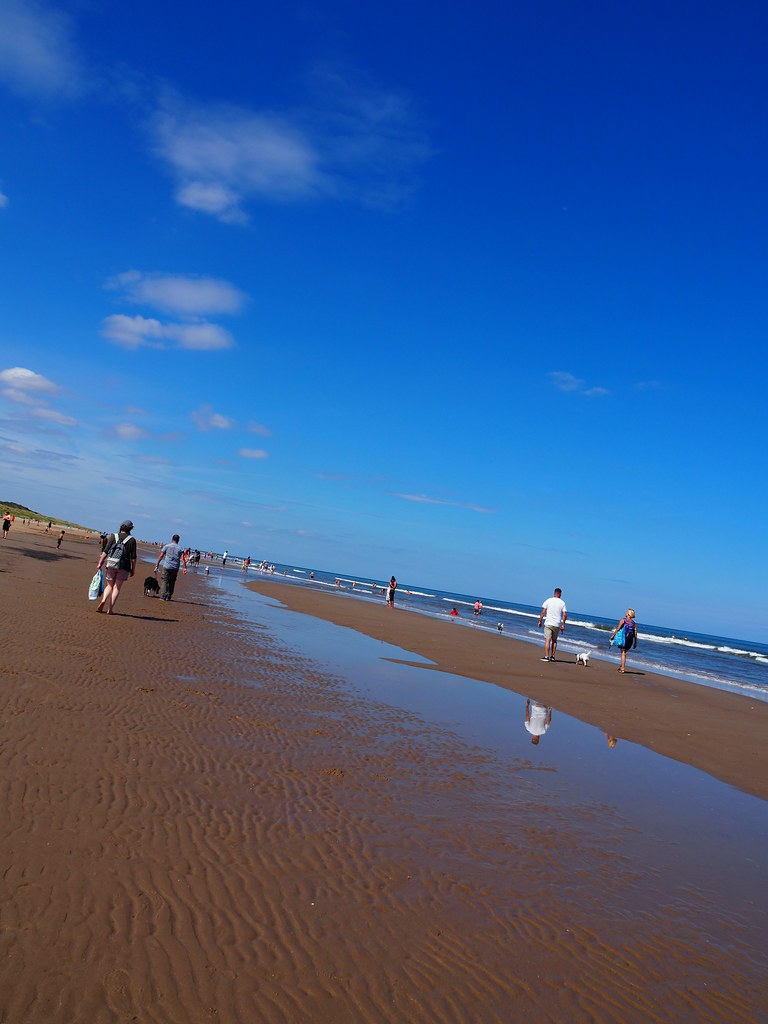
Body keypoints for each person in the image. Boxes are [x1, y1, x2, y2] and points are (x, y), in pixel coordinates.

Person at [95, 520, 137, 614]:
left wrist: (100, 563)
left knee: (109, 585)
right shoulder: (132, 540)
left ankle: (103, 600)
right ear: (131, 528)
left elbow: (105, 551)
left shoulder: (114, 536)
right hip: (124, 567)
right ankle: (110, 609)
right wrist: (133, 569)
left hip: (111, 564)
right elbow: (133, 557)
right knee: (117, 588)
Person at [538, 587, 567, 661]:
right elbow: (564, 615)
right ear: (560, 594)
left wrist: (540, 621)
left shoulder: (548, 600)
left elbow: (543, 612)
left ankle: (547, 656)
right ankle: (553, 656)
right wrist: (563, 625)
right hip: (557, 624)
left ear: (554, 593)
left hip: (548, 623)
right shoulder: (562, 603)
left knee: (548, 640)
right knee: (554, 640)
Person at [155, 533, 183, 601]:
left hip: (167, 566)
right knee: (172, 581)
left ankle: (163, 595)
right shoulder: (180, 548)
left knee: (165, 580)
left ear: (172, 539)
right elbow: (183, 559)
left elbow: (161, 555)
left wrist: (157, 563)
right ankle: (169, 595)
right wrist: (184, 567)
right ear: (178, 540)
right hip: (175, 567)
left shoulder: (167, 546)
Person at [610, 608, 638, 673]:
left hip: (623, 639)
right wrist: (635, 642)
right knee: (624, 653)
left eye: (627, 612)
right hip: (630, 640)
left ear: (628, 614)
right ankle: (621, 666)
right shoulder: (634, 623)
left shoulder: (623, 620)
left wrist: (613, 635)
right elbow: (635, 634)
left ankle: (622, 669)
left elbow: (618, 628)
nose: (625, 613)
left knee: (623, 653)